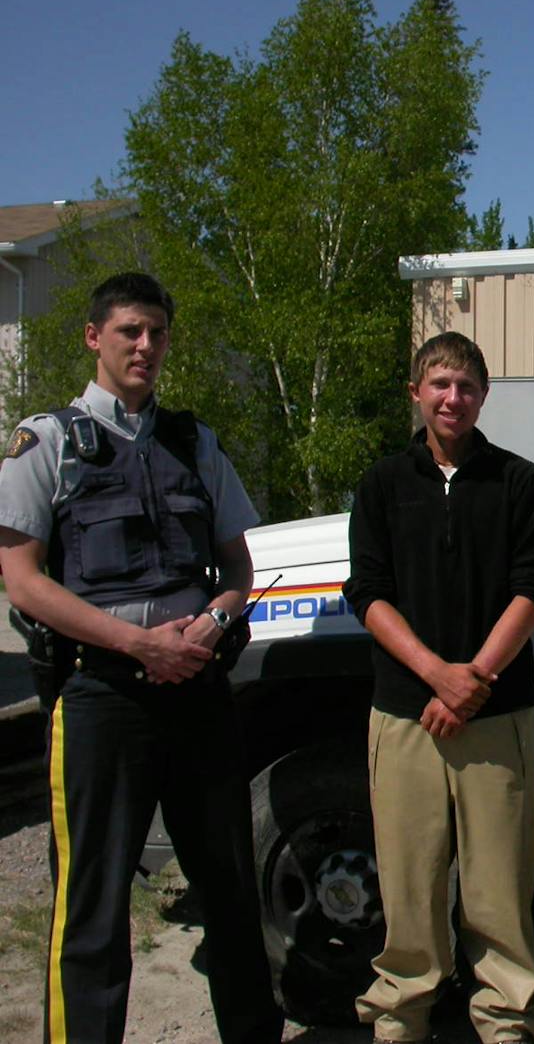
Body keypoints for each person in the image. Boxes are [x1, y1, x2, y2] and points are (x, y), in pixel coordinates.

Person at [0, 272, 281, 1044]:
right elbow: (21, 581)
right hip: (101, 698)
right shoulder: (48, 442)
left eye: (156, 332)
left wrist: (214, 621)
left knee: (230, 894)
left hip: (197, 693)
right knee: (90, 911)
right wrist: (134, 642)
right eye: (129, 331)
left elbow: (238, 569)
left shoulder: (194, 443)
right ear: (94, 337)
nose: (145, 346)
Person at [343, 332, 534, 1044]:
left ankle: (508, 1019)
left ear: (483, 396)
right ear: (415, 392)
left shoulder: (515, 481)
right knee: (410, 889)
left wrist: (476, 679)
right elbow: (369, 594)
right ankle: (401, 1016)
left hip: (496, 716)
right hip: (405, 714)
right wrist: (437, 675)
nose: (452, 398)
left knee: (499, 890)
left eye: (466, 386)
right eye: (439, 383)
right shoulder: (381, 485)